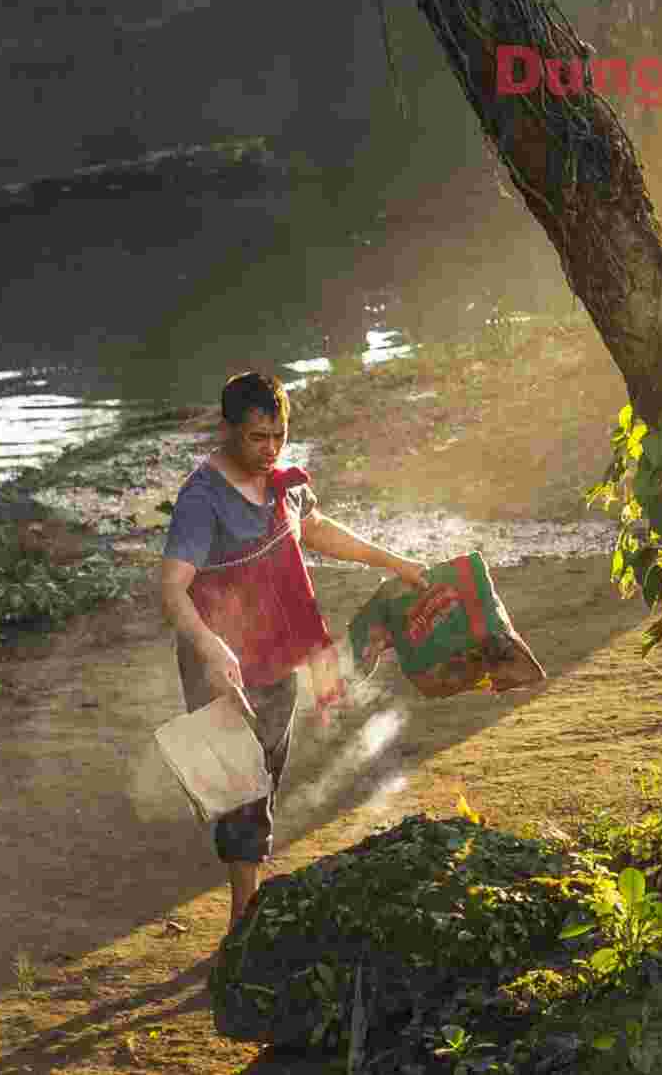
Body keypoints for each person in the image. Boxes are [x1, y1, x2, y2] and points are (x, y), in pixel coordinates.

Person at [159, 370, 429, 932]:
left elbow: (319, 529)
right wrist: (210, 649)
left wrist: (394, 563)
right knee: (242, 785)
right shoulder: (201, 499)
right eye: (258, 437)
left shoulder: (283, 480)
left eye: (279, 435)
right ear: (228, 429)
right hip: (221, 661)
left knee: (267, 776)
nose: (271, 449)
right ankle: (242, 924)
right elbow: (171, 589)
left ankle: (247, 908)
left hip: (279, 650)